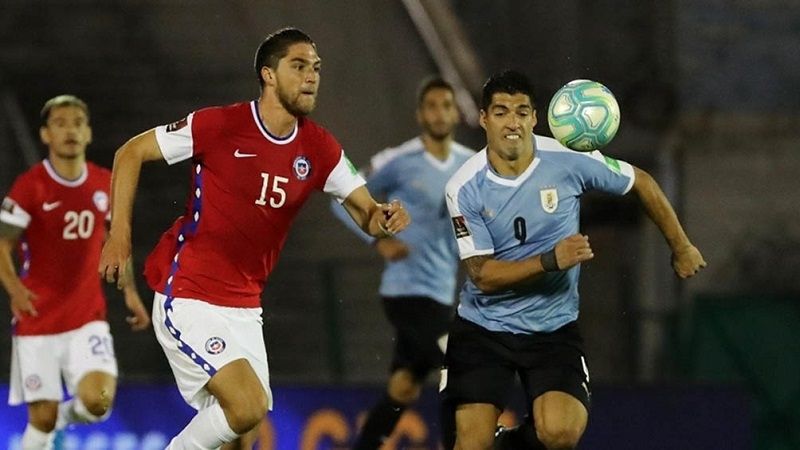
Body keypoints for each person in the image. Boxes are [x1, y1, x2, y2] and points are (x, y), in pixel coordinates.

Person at [97, 27, 410, 450]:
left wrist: (383, 216)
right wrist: (119, 236)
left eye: (316, 68)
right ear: (268, 74)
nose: (311, 76)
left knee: (241, 437)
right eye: (298, 66)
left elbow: (366, 212)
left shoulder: (319, 148)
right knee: (247, 406)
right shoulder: (221, 124)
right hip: (190, 293)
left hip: (245, 306)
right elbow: (130, 152)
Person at [440, 70, 707, 450]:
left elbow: (642, 182)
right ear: (484, 119)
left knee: (560, 434)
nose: (512, 122)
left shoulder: (567, 159)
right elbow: (483, 275)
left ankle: (510, 444)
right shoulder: (464, 186)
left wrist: (681, 246)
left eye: (521, 112)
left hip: (553, 330)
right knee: (471, 444)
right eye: (500, 112)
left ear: (535, 118)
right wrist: (551, 260)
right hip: (484, 330)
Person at [330, 77, 474, 449]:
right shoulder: (399, 160)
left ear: (456, 113)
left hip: (444, 292)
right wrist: (379, 240)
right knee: (456, 364)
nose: (439, 113)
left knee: (404, 388)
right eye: (432, 106)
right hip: (405, 292)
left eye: (446, 105)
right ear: (419, 114)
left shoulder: (470, 165)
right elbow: (342, 198)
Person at [0, 95, 150, 450]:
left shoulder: (106, 184)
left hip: (86, 318)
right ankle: (52, 426)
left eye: (78, 123)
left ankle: (68, 419)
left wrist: (130, 293)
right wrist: (15, 290)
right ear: (46, 135)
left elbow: (116, 245)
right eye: (60, 123)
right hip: (37, 318)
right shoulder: (31, 186)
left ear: (89, 133)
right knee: (42, 419)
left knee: (98, 401)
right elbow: (2, 245)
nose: (70, 130)